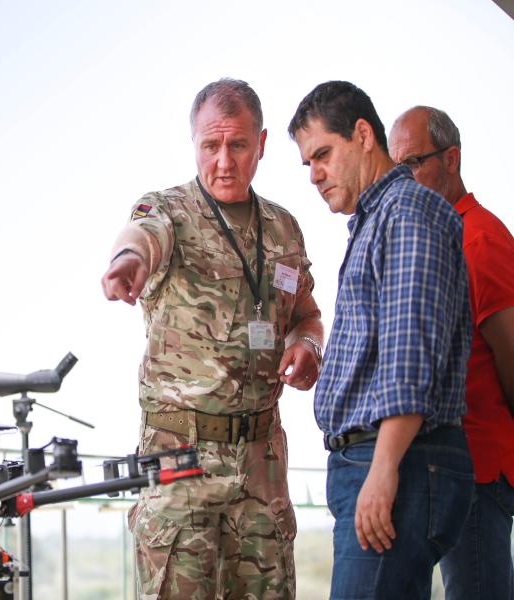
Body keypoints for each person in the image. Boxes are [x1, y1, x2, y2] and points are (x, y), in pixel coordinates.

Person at [101, 78, 323, 599]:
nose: (224, 160)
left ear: (261, 145)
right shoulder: (169, 210)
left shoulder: (284, 230)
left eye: (238, 145)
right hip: (181, 456)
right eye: (210, 145)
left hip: (261, 464)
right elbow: (140, 236)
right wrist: (125, 262)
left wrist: (307, 345)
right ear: (195, 143)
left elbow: (306, 313)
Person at [287, 81, 474, 600]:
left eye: (323, 154)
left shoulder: (407, 211)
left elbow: (409, 352)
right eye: (307, 164)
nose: (315, 174)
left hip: (399, 462)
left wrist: (383, 469)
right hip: (380, 461)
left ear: (363, 135)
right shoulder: (376, 219)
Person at [389, 106, 514, 599]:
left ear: (452, 159)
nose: (405, 179)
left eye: (414, 162)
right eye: (396, 167)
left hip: (480, 468)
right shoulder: (435, 236)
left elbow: (510, 358)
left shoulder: (480, 239)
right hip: (441, 467)